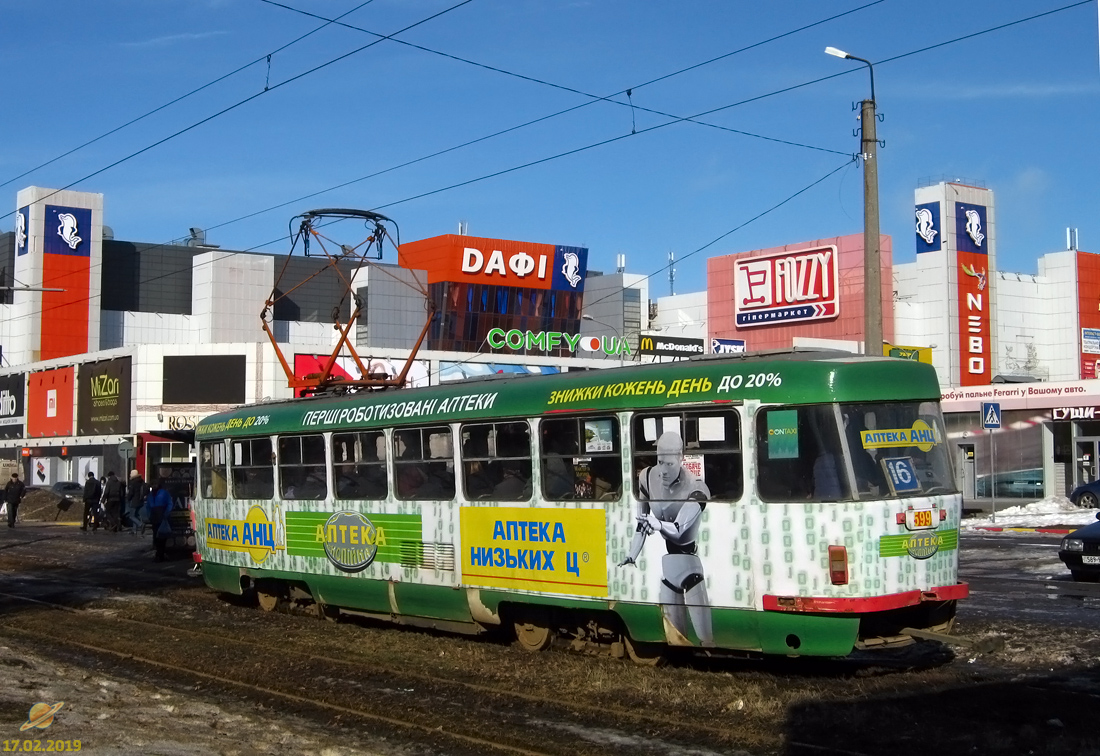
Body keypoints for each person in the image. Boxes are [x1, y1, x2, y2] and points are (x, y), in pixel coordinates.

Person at [620, 431, 713, 647]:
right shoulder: (647, 477)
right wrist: (632, 554)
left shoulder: (697, 487)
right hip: (670, 567)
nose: (663, 470)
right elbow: (641, 522)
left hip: (690, 567)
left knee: (707, 640)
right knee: (674, 637)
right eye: (660, 461)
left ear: (681, 458)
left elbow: (680, 529)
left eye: (669, 464)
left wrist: (658, 524)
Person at [145, 478, 174, 562]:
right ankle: (159, 553)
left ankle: (160, 554)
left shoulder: (164, 493)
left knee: (162, 537)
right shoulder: (151, 495)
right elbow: (148, 507)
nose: (154, 486)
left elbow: (169, 503)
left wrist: (166, 513)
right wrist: (149, 515)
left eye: (155, 485)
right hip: (155, 517)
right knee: (156, 536)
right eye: (153, 485)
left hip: (162, 516)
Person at [126, 470, 147, 535]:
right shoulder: (141, 481)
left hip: (134, 501)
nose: (129, 475)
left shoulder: (133, 483)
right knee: (136, 515)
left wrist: (128, 498)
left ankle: (140, 524)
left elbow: (131, 493)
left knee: (131, 516)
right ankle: (134, 530)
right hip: (140, 501)